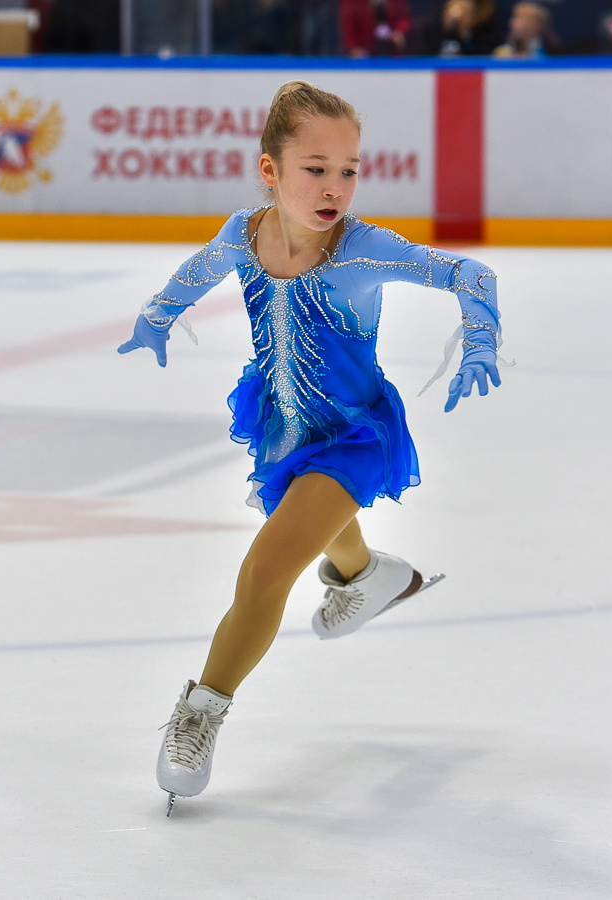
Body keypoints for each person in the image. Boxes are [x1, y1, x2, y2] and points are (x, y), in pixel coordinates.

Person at [118, 81, 503, 813]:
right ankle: (366, 575)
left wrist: (480, 338)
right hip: (284, 424)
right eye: (316, 168)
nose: (335, 187)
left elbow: (470, 273)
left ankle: (201, 709)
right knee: (315, 526)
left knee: (266, 570)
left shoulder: (363, 251)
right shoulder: (244, 235)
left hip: (355, 435)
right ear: (270, 170)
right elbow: (199, 269)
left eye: (348, 170)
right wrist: (157, 315)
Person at [340, 0, 412, 57]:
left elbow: (404, 17)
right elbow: (348, 24)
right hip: (366, 49)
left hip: (392, 47)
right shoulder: (352, 2)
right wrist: (353, 47)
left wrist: (400, 31)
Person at [493, 2, 558, 58]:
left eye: (520, 19)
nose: (512, 23)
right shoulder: (503, 47)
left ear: (535, 25)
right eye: (514, 17)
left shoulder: (550, 50)